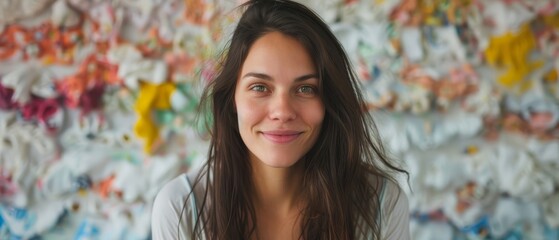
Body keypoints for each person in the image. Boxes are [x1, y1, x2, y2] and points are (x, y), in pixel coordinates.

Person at [151, 0, 410, 239]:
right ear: (232, 98)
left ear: (329, 101)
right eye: (260, 87)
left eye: (305, 89)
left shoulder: (381, 204)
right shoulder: (181, 207)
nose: (282, 111)